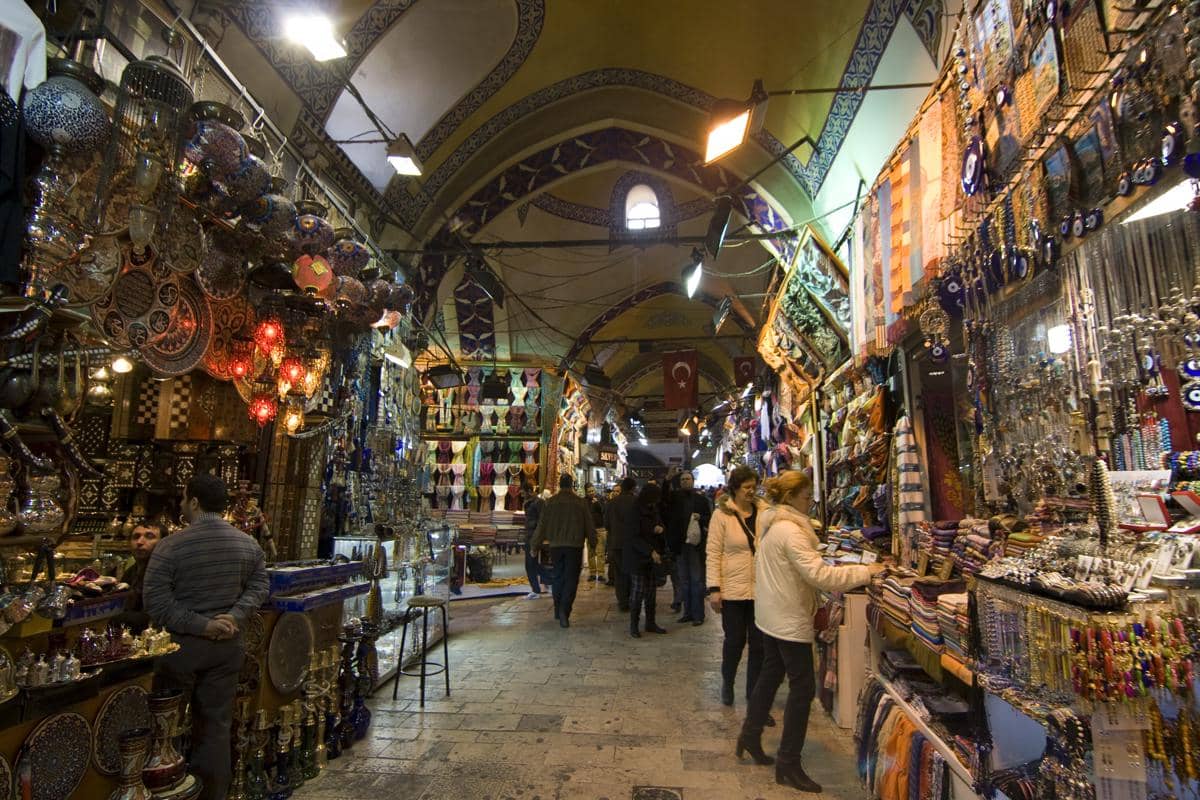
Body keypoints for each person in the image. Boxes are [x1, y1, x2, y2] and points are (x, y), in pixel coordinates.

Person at [736, 470, 883, 793]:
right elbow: (821, 576)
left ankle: (749, 734)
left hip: (771, 614)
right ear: (790, 498)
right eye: (806, 497)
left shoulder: (771, 523)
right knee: (802, 690)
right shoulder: (791, 531)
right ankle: (788, 762)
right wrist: (866, 572)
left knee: (771, 674)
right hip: (788, 619)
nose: (810, 503)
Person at [144, 474, 270, 800]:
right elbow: (259, 586)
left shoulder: (171, 545)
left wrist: (202, 625)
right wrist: (234, 617)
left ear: (195, 503)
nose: (182, 504)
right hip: (227, 648)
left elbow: (156, 603)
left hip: (181, 648)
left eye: (184, 498)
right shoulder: (247, 544)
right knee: (215, 728)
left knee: (165, 730)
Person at [707, 465, 771, 708]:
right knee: (734, 641)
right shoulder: (721, 516)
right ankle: (728, 682)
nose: (751, 492)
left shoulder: (765, 513)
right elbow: (713, 553)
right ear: (734, 489)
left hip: (761, 590)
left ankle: (754, 697)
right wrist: (714, 588)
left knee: (760, 646)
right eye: (746, 487)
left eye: (754, 487)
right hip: (732, 590)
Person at [530, 474, 596, 628]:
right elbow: (589, 524)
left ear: (559, 485)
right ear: (572, 485)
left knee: (558, 577)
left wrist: (534, 545)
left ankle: (557, 608)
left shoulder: (550, 503)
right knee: (571, 579)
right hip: (574, 546)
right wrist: (593, 541)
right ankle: (564, 612)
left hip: (556, 547)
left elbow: (542, 526)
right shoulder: (580, 503)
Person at [663, 471, 712, 624]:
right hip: (680, 546)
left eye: (688, 479)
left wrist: (700, 518)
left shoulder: (701, 500)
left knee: (697, 581)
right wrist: (667, 479)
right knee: (684, 580)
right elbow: (663, 498)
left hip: (695, 546)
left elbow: (709, 518)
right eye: (683, 479)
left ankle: (698, 615)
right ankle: (688, 613)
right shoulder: (675, 498)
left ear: (693, 481)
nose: (685, 482)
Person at [626, 483, 668, 638]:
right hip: (638, 557)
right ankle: (634, 625)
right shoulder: (635, 511)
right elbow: (633, 536)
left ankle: (650, 622)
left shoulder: (653, 509)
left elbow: (659, 523)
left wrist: (660, 528)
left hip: (652, 557)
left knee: (651, 592)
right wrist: (650, 551)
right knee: (638, 592)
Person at [114, 518, 167, 633]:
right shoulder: (130, 572)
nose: (140, 542)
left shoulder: (166, 574)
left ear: (164, 543)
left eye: (149, 536)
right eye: (136, 537)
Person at [604, 477, 638, 612]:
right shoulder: (636, 502)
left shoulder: (612, 503)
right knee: (631, 572)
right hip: (632, 544)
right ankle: (631, 598)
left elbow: (607, 524)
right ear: (633, 488)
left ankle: (622, 601)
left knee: (619, 574)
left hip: (616, 543)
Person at [523, 489, 551, 598]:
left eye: (523, 492)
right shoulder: (529, 502)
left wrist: (539, 536)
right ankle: (538, 588)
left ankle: (544, 585)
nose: (521, 494)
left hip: (534, 537)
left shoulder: (538, 502)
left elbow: (542, 521)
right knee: (531, 564)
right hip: (530, 535)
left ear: (529, 491)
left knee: (531, 563)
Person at [584, 483, 607, 584]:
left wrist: (597, 503)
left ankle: (601, 574)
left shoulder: (600, 499)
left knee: (600, 552)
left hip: (600, 529)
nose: (592, 493)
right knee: (591, 552)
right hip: (590, 530)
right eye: (589, 491)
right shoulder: (584, 501)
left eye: (593, 491)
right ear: (586, 492)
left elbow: (604, 511)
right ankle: (592, 573)